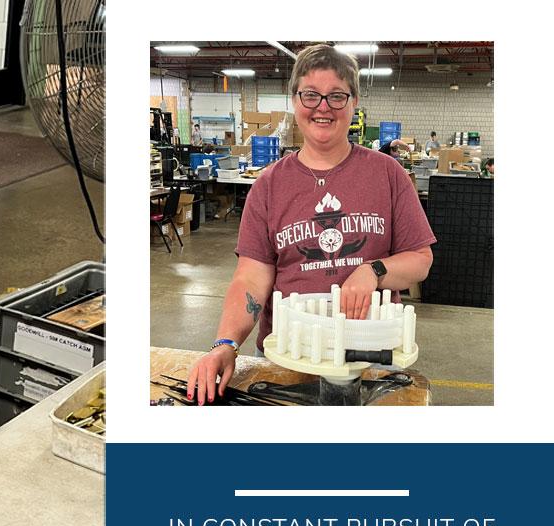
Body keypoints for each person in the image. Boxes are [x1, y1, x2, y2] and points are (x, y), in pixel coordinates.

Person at [186, 44, 434, 404]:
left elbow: (420, 260)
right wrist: (224, 343)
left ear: (354, 103)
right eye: (311, 95)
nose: (323, 107)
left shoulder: (387, 174)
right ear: (294, 99)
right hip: (289, 359)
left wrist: (374, 270)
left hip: (367, 359)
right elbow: (251, 278)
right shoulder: (269, 185)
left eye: (336, 96)